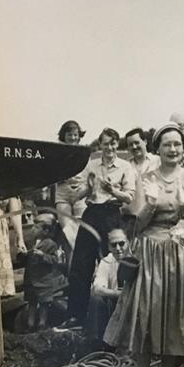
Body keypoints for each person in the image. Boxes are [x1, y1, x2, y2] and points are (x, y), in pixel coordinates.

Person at [105, 123, 184, 367]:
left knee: (175, 318)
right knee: (145, 317)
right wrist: (150, 203)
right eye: (167, 145)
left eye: (177, 144)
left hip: (179, 251)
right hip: (150, 251)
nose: (172, 149)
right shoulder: (145, 176)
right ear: (158, 148)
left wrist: (183, 199)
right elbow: (137, 223)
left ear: (182, 147)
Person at [64, 128, 136, 328]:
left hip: (112, 214)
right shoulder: (91, 165)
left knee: (112, 261)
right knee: (80, 264)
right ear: (100, 145)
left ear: (117, 144)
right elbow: (74, 196)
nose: (110, 148)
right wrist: (87, 187)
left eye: (113, 143)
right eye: (106, 144)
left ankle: (115, 315)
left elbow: (129, 197)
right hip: (92, 212)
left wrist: (113, 190)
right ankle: (76, 315)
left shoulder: (125, 166)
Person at [87, 228, 134, 350]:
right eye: (114, 245)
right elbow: (97, 289)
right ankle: (99, 345)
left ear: (129, 242)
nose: (118, 249)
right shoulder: (107, 261)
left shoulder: (137, 259)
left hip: (134, 305)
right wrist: (118, 294)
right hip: (115, 303)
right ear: (109, 246)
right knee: (96, 300)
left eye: (121, 243)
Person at [22, 213, 68, 331]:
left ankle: (42, 323)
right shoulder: (31, 242)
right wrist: (22, 254)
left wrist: (43, 256)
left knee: (43, 304)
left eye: (36, 227)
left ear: (46, 231)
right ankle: (30, 324)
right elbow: (26, 258)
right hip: (31, 280)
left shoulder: (50, 244)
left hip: (43, 281)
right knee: (32, 302)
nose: (33, 229)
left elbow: (54, 260)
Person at [54, 120, 88, 247]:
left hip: (80, 192)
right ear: (64, 135)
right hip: (63, 193)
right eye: (69, 135)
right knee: (68, 231)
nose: (73, 137)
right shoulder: (56, 151)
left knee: (83, 229)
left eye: (75, 134)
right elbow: (51, 173)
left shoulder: (84, 151)